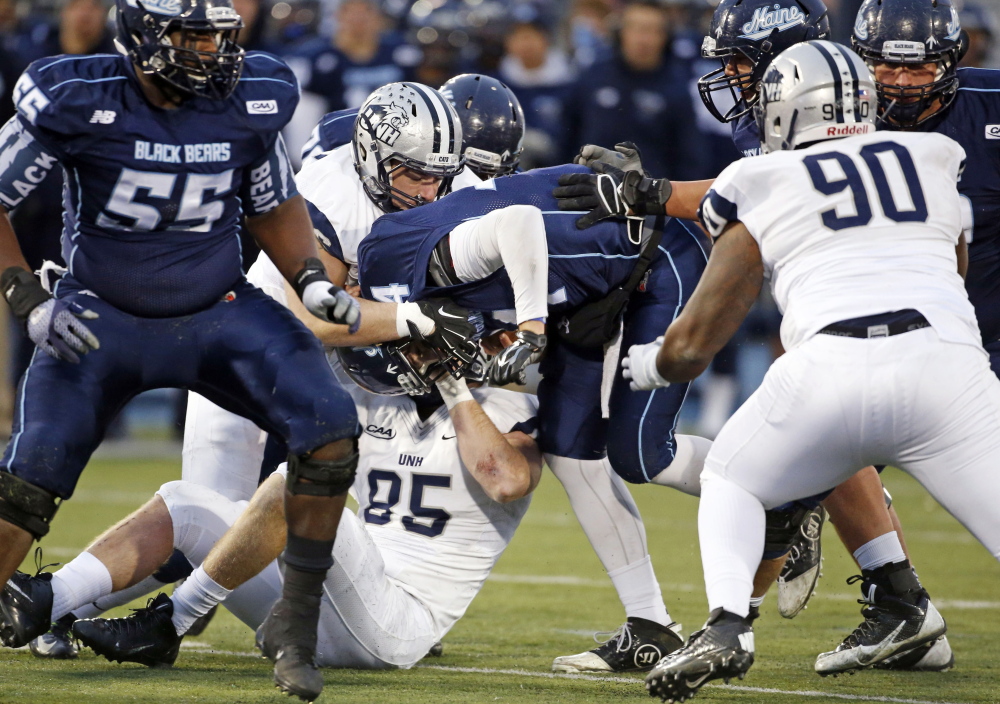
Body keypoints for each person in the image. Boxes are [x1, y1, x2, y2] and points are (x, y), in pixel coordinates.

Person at [0, 3, 470, 702]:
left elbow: (272, 201)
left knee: (330, 429)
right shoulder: (76, 96)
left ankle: (296, 629)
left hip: (218, 308)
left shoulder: (252, 95)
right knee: (32, 476)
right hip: (102, 317)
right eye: (193, 35)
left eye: (220, 36)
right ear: (143, 33)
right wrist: (24, 297)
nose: (211, 51)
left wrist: (310, 279)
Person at [564, 0, 956, 672]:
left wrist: (659, 342)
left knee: (781, 448)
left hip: (930, 312)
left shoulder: (870, 111)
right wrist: (655, 195)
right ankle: (888, 598)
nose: (732, 75)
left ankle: (729, 620)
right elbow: (753, 189)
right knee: (821, 422)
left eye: (743, 61)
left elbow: (758, 195)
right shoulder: (808, 113)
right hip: (897, 311)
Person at [626, 40, 1000, 702]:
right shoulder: (934, 157)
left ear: (783, 109)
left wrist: (651, 364)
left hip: (828, 369)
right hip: (947, 367)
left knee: (732, 480)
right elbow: (958, 268)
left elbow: (700, 339)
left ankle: (728, 625)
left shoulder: (758, 178)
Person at [356, 166, 720, 673]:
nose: (415, 372)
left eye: (407, 360)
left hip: (658, 258)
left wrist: (529, 325)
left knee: (641, 452)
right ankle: (651, 626)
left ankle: (781, 491)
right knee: (570, 452)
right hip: (591, 282)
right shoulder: (397, 274)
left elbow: (519, 221)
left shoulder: (418, 263)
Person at [48, 340, 541, 670]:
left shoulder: (515, 410)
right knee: (185, 503)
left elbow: (507, 480)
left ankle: (172, 620)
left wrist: (452, 384)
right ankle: (53, 604)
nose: (408, 354)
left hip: (399, 627)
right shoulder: (376, 398)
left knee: (307, 487)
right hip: (312, 606)